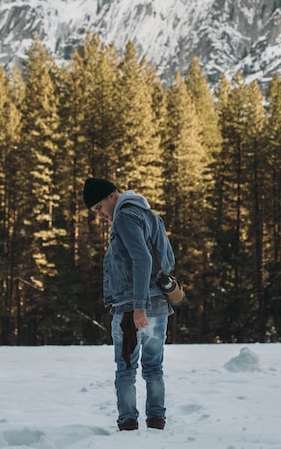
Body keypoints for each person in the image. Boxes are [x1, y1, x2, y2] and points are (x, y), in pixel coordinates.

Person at [84, 177, 175, 432]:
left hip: (131, 310)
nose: (100, 215)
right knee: (154, 367)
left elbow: (142, 260)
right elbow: (168, 259)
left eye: (98, 208)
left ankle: (128, 425)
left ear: (112, 196)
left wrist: (138, 306)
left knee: (125, 369)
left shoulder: (124, 217)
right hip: (158, 306)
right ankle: (156, 421)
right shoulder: (151, 215)